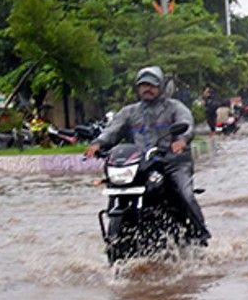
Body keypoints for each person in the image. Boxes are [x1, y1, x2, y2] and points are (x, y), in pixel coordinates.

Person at [86, 66, 210, 243]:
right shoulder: (129, 112)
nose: (147, 89)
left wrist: (181, 140)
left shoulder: (175, 107)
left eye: (151, 85)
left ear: (160, 87)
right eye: (143, 85)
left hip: (172, 161)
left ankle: (199, 232)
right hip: (141, 164)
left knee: (184, 192)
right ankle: (117, 235)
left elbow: (186, 124)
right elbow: (112, 131)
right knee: (116, 185)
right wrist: (97, 144)